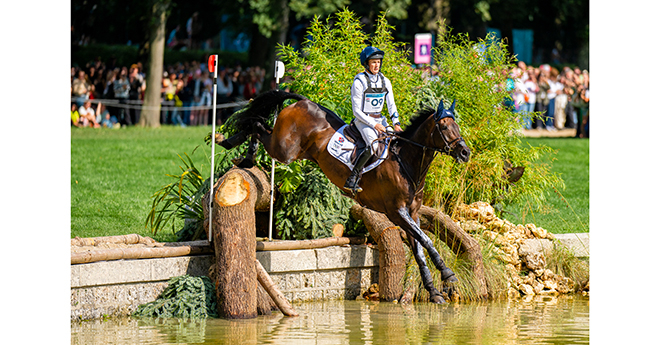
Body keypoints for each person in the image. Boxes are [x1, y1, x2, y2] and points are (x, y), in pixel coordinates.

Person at [344, 46, 402, 192]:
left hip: (380, 120)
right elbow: (356, 111)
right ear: (366, 63)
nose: (377, 65)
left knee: (396, 142)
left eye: (378, 62)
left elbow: (391, 105)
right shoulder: (359, 82)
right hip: (363, 121)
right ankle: (353, 178)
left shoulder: (385, 81)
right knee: (373, 146)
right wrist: (374, 124)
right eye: (373, 62)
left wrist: (396, 123)